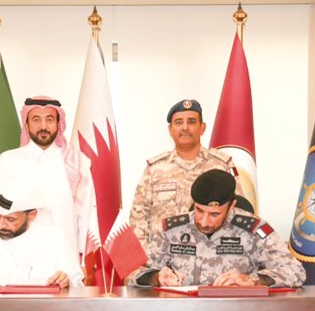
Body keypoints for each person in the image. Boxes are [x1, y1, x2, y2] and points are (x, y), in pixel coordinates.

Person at [129, 170, 304, 288]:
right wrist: (157, 277)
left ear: (232, 206)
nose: (204, 222)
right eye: (199, 211)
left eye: (214, 214)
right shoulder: (172, 230)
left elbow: (296, 272)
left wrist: (252, 280)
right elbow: (133, 273)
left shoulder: (254, 230)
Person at [129, 98, 245, 253]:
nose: (184, 127)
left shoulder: (222, 165)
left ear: (202, 128)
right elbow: (138, 219)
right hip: (163, 261)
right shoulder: (155, 169)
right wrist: (148, 260)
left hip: (210, 261)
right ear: (170, 129)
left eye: (191, 122)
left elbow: (238, 212)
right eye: (178, 122)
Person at [0, 96, 97, 257]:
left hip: (65, 261)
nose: (43, 126)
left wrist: (83, 260)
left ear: (58, 123)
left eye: (49, 119)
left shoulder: (77, 162)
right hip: (19, 259)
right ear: (26, 124)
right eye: (36, 119)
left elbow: (87, 216)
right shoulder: (9, 161)